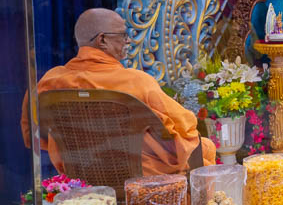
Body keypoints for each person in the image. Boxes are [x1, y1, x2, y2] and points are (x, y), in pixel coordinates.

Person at [21, 9, 216, 175]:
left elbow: (32, 136)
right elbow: (186, 127)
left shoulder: (49, 83)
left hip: (81, 176)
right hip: (142, 178)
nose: (128, 40)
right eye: (123, 35)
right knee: (205, 147)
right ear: (102, 40)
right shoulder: (136, 82)